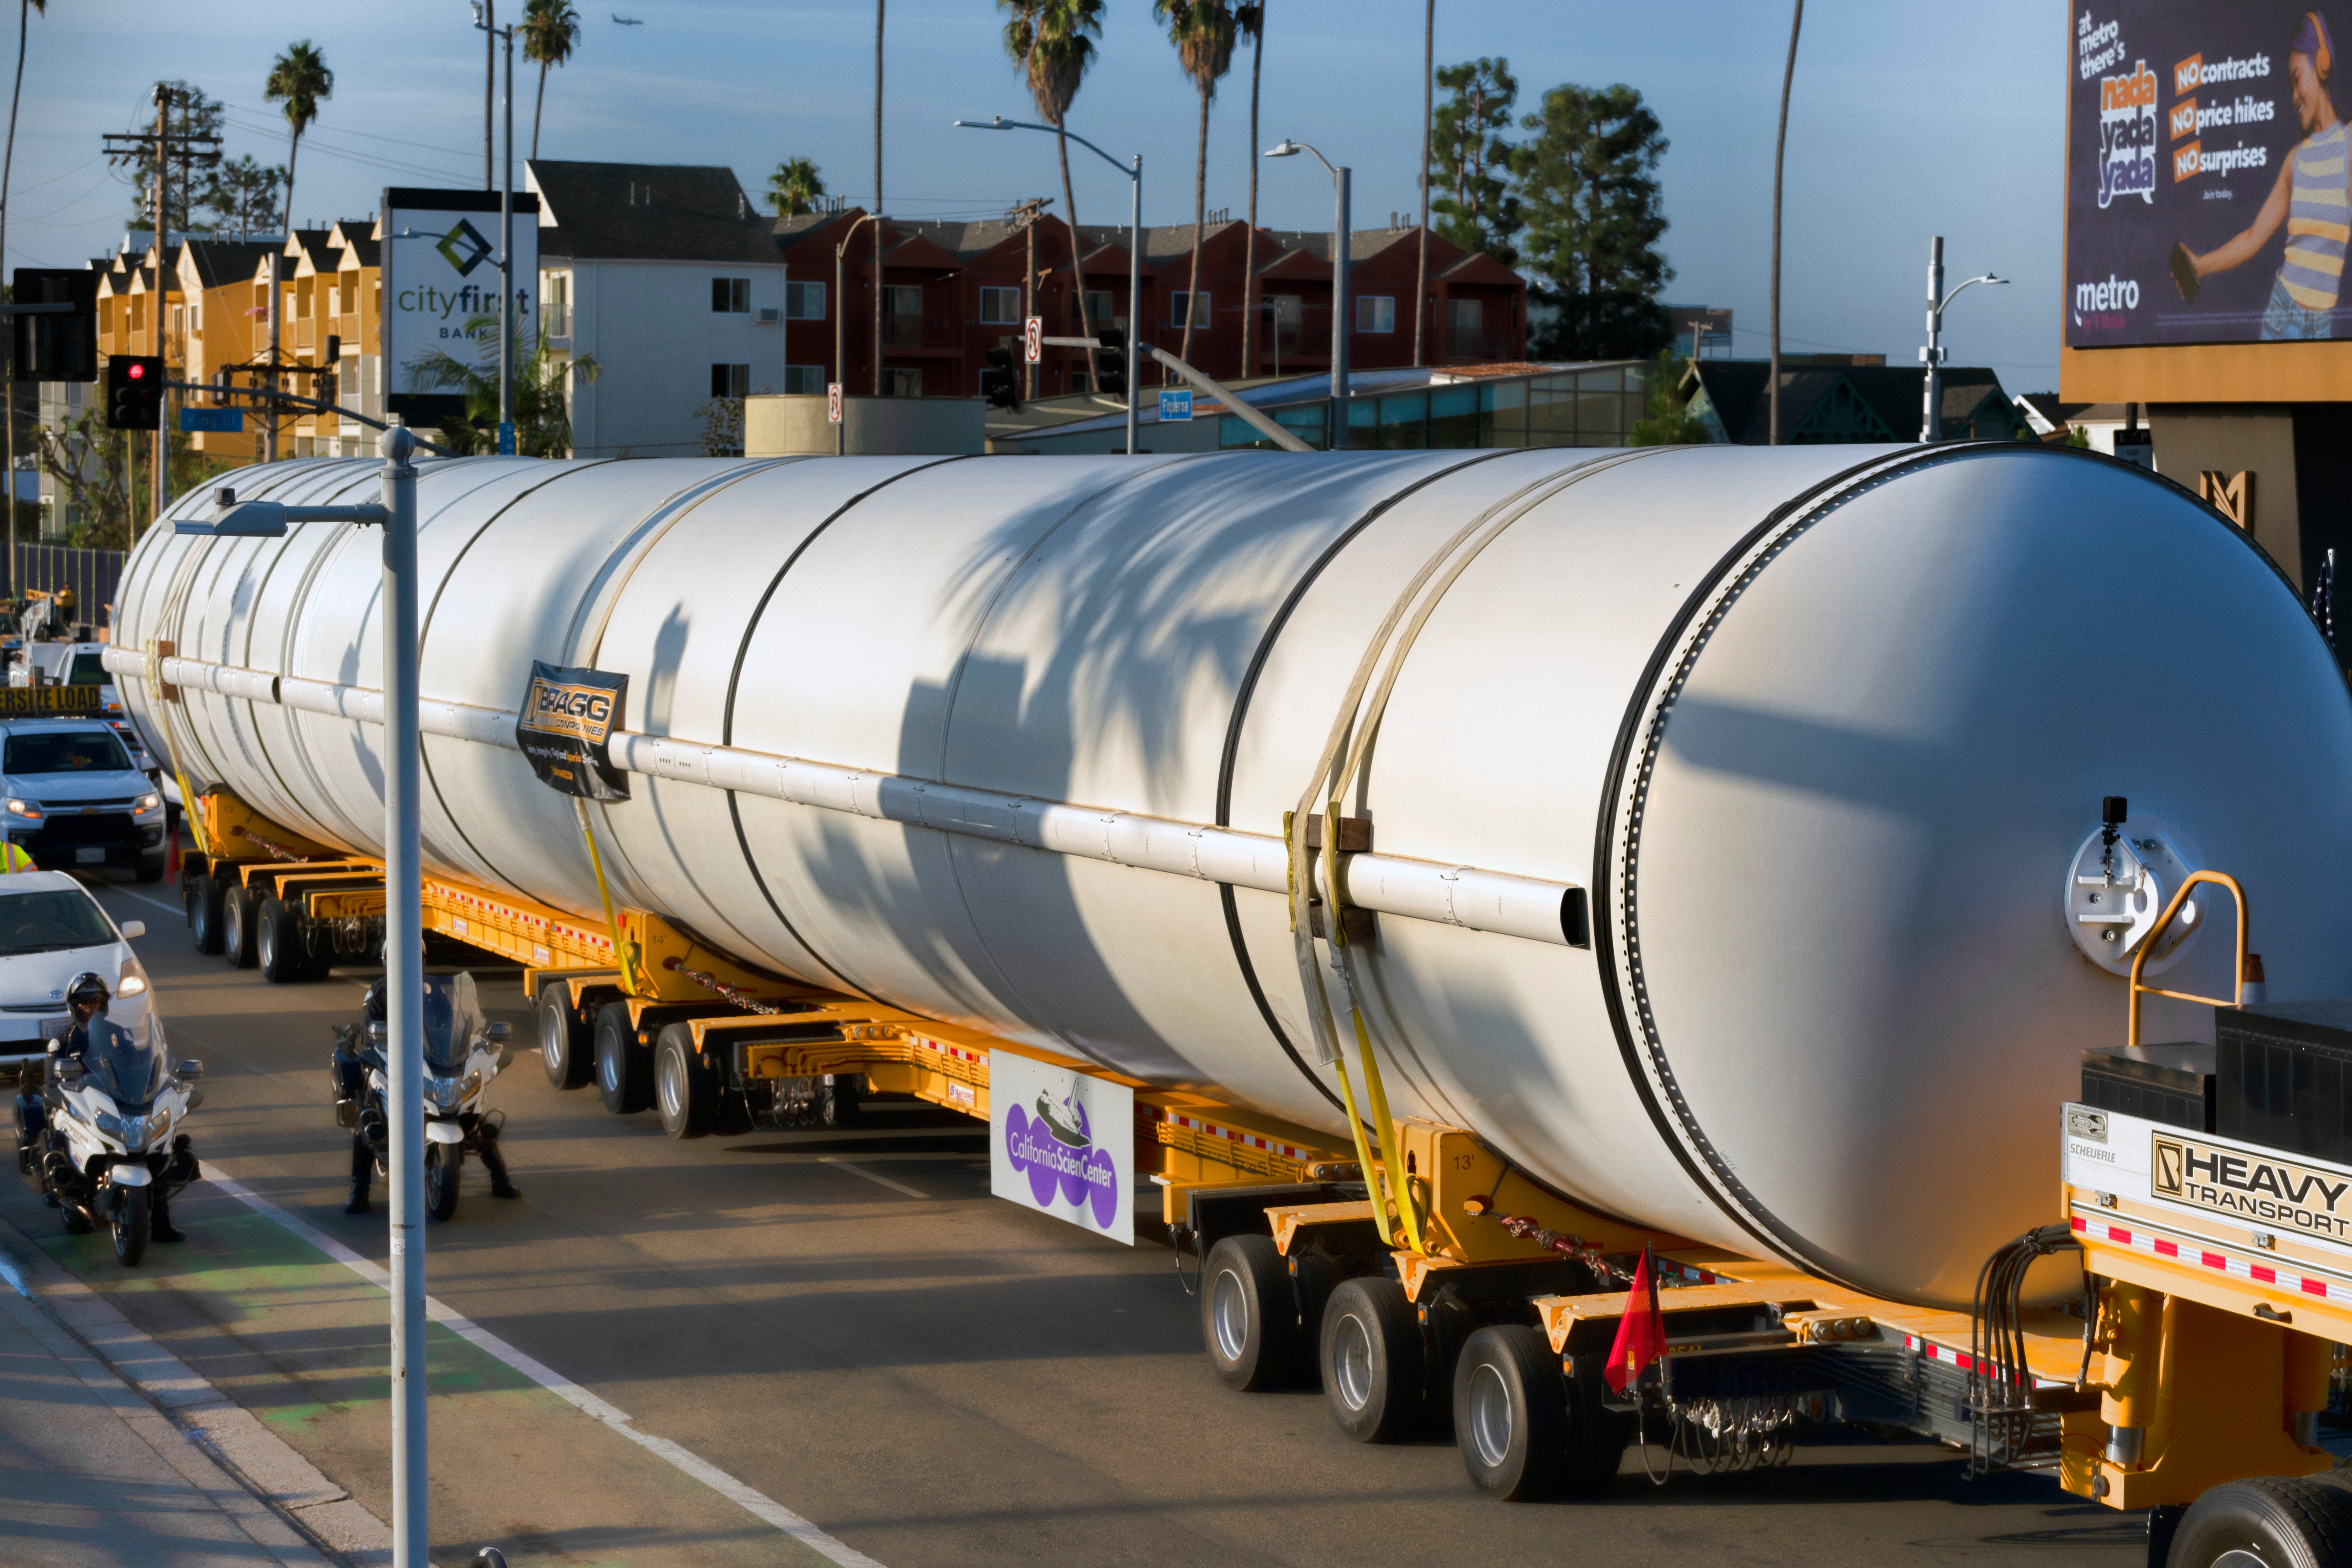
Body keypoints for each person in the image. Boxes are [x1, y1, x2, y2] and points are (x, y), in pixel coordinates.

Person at [2173, 11, 2349, 338]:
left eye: (2298, 79)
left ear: (2322, 63)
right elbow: (2253, 237)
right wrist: (2199, 266)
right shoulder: (2295, 161)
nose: (2294, 97)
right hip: (2282, 319)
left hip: (2322, 327)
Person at [340, 978, 518, 1214]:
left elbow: (451, 1022)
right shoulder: (382, 989)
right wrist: (379, 1041)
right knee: (368, 1121)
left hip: (431, 1058)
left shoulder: (432, 988)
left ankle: (500, 1177)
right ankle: (359, 1189)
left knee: (475, 1118)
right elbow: (369, 1029)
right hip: (394, 1058)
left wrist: (464, 1043)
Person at [45, 971, 182, 1241]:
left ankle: (162, 1223)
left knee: (163, 1147)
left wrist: (159, 1073)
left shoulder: (120, 1035)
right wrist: (64, 1084)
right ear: (75, 1005)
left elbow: (142, 1063)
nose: (90, 1006)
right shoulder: (63, 1041)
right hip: (84, 1104)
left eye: (95, 1001)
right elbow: (51, 1085)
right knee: (57, 1124)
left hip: (120, 1101)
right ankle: (66, 1191)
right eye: (84, 1001)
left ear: (104, 1004)